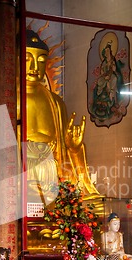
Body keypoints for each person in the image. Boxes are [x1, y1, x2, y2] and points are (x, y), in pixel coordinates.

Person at [25, 29, 99, 203]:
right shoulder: (3, 100)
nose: (34, 67)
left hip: (53, 178)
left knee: (93, 205)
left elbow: (65, 158)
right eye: (27, 59)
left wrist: (73, 147)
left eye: (41, 60)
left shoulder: (56, 103)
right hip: (21, 180)